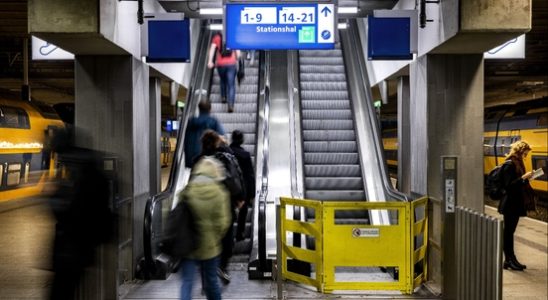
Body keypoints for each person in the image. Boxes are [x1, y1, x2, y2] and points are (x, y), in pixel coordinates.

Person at [48, 127, 113, 300]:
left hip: (72, 249)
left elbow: (70, 211)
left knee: (62, 292)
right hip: (83, 248)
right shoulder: (92, 168)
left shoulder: (78, 173)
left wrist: (54, 198)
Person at [193, 130, 245, 284]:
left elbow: (190, 183)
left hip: (201, 207)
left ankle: (207, 271)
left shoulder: (198, 160)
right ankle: (222, 267)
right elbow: (232, 180)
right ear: (217, 143)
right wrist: (239, 198)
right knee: (226, 235)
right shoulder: (223, 157)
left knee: (206, 237)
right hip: (223, 204)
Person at [178, 156, 231, 300]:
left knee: (187, 283)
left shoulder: (188, 190)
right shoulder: (220, 193)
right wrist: (215, 236)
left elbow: (177, 213)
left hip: (188, 245)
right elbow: (223, 222)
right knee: (211, 283)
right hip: (210, 246)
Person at [498, 140, 535, 271]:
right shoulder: (510, 165)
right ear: (520, 150)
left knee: (510, 232)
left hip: (515, 203)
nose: (526, 154)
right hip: (510, 205)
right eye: (526, 151)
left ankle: (511, 259)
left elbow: (517, 184)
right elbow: (509, 186)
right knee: (508, 232)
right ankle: (508, 260)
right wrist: (523, 178)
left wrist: (527, 178)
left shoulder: (518, 163)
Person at [229, 130, 255, 241]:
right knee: (243, 210)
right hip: (242, 188)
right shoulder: (245, 155)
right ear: (242, 140)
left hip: (229, 187)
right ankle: (240, 233)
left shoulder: (226, 153)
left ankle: (228, 237)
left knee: (228, 211)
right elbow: (250, 175)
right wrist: (252, 193)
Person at [184, 99, 224, 168]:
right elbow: (221, 137)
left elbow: (185, 140)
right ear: (210, 109)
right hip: (208, 159)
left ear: (199, 109)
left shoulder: (191, 122)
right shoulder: (213, 121)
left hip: (192, 159)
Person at [207, 32, 241, 113]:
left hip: (220, 64)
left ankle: (223, 97)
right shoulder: (232, 35)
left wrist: (210, 61)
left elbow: (212, 49)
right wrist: (237, 59)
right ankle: (230, 105)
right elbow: (238, 52)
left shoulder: (216, 37)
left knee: (222, 80)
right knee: (231, 85)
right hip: (231, 64)